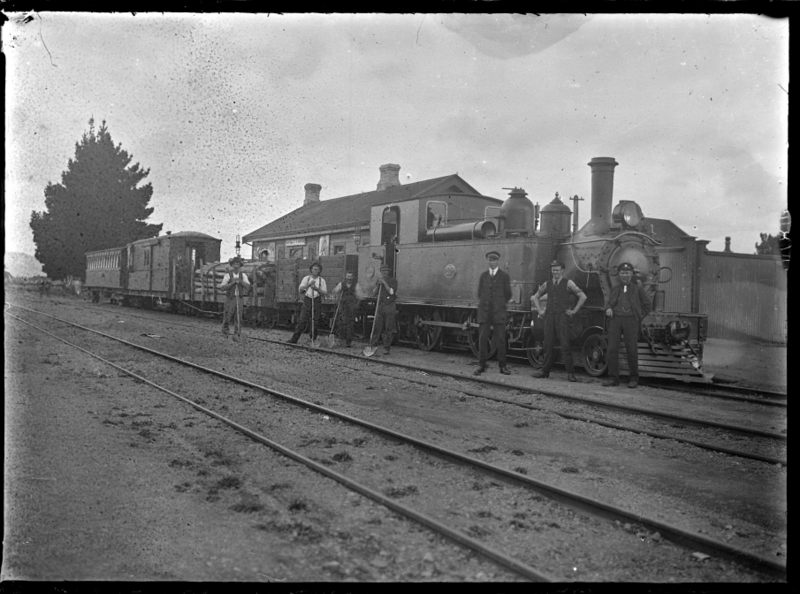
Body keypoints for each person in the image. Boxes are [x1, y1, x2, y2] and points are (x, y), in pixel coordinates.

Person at [530, 261, 587, 382]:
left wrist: (574, 311)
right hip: (549, 317)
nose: (555, 272)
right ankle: (545, 371)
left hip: (562, 318)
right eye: (553, 270)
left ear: (562, 270)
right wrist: (540, 310)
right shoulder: (547, 284)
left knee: (565, 344)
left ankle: (570, 373)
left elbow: (583, 296)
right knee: (548, 344)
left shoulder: (568, 283)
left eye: (557, 270)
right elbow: (535, 297)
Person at [602, 262, 652, 388]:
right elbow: (608, 303)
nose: (625, 275)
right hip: (616, 321)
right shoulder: (615, 289)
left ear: (631, 274)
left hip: (631, 321)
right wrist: (608, 309)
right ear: (619, 274)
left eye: (627, 272)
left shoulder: (637, 289)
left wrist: (638, 317)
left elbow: (647, 305)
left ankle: (634, 378)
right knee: (612, 349)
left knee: (632, 350)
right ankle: (613, 378)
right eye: (623, 272)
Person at [474, 251, 513, 376]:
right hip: (485, 312)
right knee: (482, 339)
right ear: (488, 261)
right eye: (490, 260)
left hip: (499, 311)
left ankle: (503, 366)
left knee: (501, 339)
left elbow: (508, 294)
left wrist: (499, 303)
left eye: (494, 260)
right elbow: (480, 293)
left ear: (498, 261)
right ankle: (481, 365)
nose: (492, 262)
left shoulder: (504, 276)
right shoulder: (483, 276)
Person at [287, 262, 327, 343]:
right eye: (314, 269)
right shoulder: (306, 278)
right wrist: (308, 285)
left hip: (317, 300)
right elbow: (300, 290)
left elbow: (324, 292)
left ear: (319, 271)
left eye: (318, 270)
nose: (316, 271)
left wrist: (316, 288)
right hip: (308, 299)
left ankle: (313, 339)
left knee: (315, 321)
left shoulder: (321, 280)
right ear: (311, 270)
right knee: (302, 320)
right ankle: (294, 339)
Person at [219, 256, 250, 341]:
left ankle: (237, 334)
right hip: (230, 298)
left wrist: (240, 281)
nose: (236, 266)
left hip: (239, 298)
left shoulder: (243, 275)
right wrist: (232, 283)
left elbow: (248, 286)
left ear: (240, 265)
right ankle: (225, 333)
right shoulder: (228, 275)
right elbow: (222, 288)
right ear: (232, 265)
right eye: (234, 264)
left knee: (238, 316)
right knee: (228, 315)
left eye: (238, 264)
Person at [370, 264, 398, 355]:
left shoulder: (393, 281)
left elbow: (391, 292)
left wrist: (384, 283)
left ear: (388, 272)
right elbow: (374, 294)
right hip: (380, 306)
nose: (385, 272)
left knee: (388, 328)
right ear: (381, 272)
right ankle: (373, 345)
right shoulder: (379, 281)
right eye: (383, 271)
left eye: (386, 271)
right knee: (377, 326)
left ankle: (387, 348)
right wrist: (378, 285)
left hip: (389, 306)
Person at [332, 271, 365, 347]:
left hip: (351, 306)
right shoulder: (341, 284)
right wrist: (337, 296)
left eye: (351, 276)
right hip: (343, 306)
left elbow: (360, 296)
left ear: (353, 277)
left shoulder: (356, 285)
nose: (349, 278)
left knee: (350, 324)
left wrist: (356, 305)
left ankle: (348, 341)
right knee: (341, 323)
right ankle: (341, 340)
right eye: (348, 276)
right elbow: (334, 291)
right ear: (346, 277)